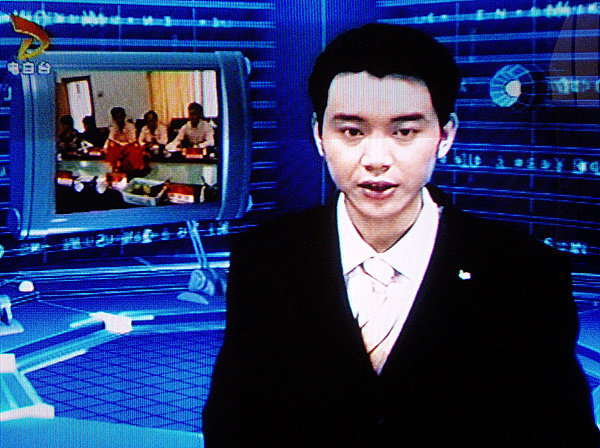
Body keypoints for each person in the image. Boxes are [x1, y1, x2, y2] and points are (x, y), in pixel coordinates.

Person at [202, 24, 599, 447]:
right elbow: (234, 420)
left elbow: (562, 433)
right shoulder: (266, 257)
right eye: (351, 131)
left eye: (404, 132)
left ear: (445, 136)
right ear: (319, 135)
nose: (376, 159)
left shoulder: (524, 270)